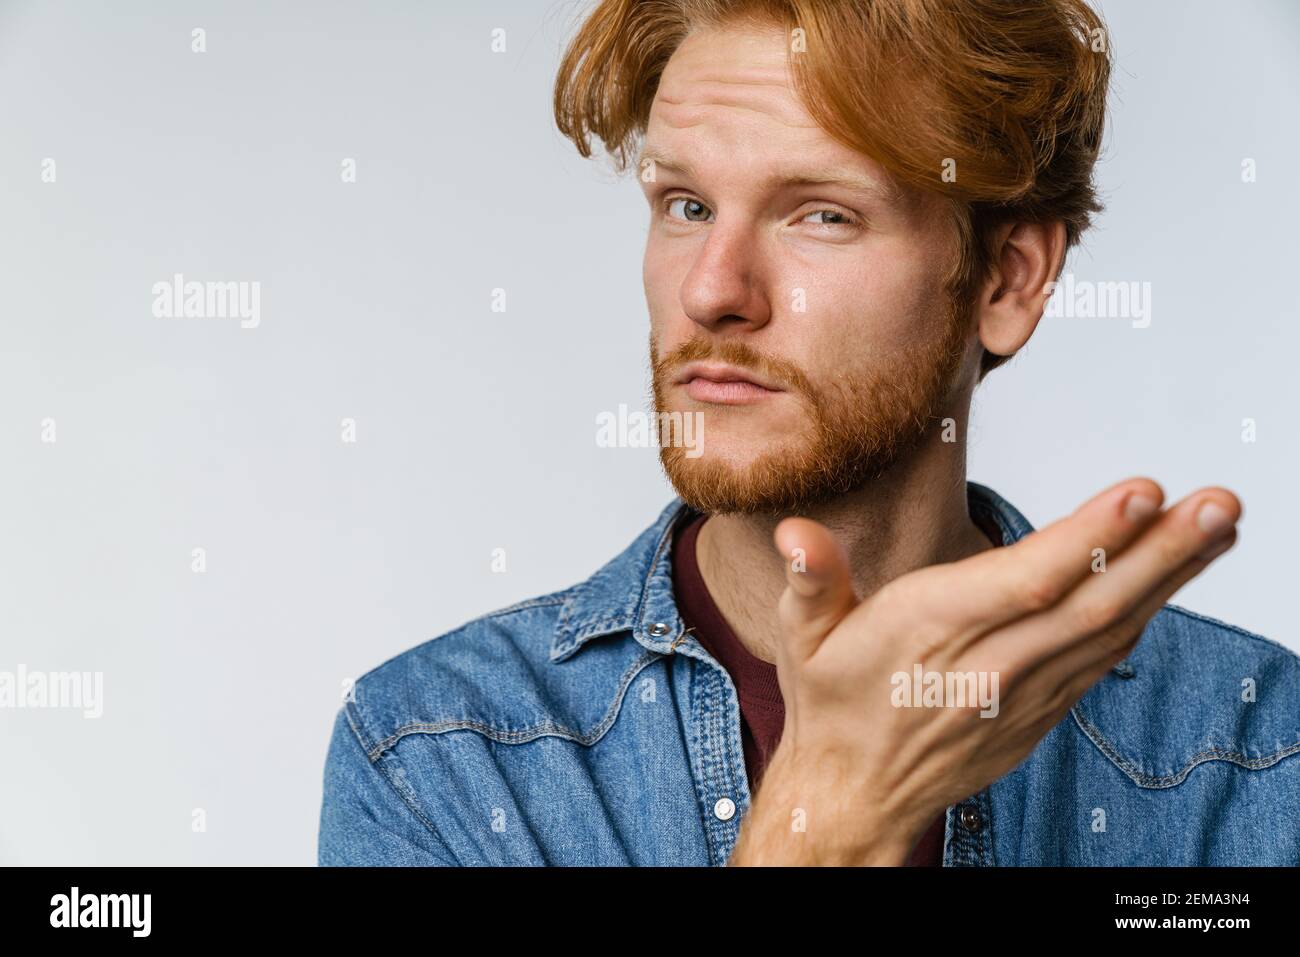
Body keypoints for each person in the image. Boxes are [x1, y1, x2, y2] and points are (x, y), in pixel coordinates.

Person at [317, 0, 1300, 866]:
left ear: (1005, 283)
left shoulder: (1255, 749)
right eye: (686, 206)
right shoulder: (437, 754)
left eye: (820, 214)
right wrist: (826, 829)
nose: (711, 290)